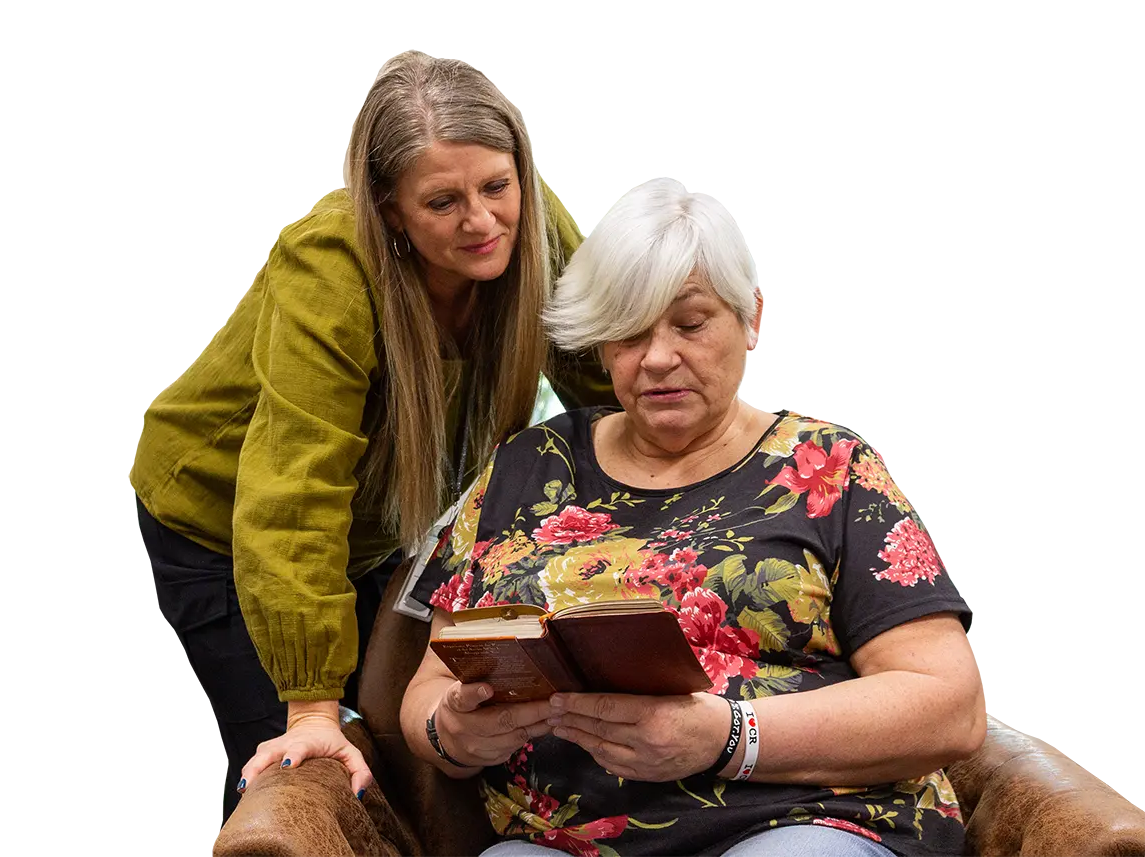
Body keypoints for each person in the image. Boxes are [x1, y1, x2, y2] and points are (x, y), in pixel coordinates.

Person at [401, 177, 986, 857]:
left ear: (750, 316)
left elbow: (949, 705)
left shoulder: (830, 469)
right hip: (562, 844)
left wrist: (731, 737)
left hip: (801, 822)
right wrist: (452, 733)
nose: (656, 358)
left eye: (689, 323)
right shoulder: (525, 467)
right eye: (628, 330)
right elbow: (429, 687)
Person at [129, 51, 614, 821]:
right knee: (300, 774)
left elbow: (610, 368)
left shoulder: (524, 219)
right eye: (442, 202)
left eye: (496, 186)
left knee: (417, 738)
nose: (482, 220)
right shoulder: (330, 263)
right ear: (390, 209)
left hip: (373, 526)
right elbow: (296, 491)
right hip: (221, 528)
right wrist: (312, 711)